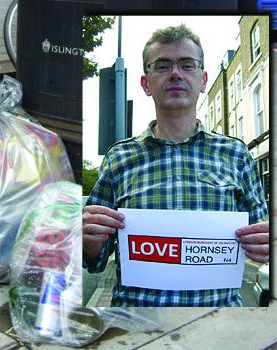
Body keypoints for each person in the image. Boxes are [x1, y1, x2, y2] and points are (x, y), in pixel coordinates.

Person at [83, 24, 269, 307]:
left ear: (203, 79)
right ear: (146, 83)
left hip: (220, 327)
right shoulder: (119, 158)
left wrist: (267, 244)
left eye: (187, 64)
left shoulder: (236, 155)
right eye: (162, 65)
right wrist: (88, 236)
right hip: (135, 330)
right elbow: (94, 259)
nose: (175, 73)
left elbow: (264, 237)